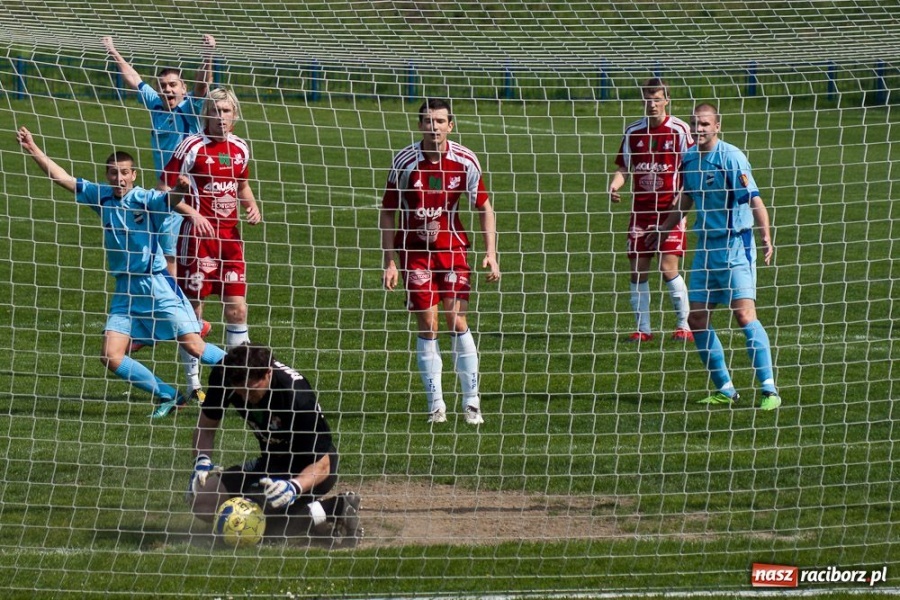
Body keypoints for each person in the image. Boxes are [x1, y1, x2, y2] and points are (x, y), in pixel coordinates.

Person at [16, 126, 226, 419]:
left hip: (156, 285)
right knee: (111, 355)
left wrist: (179, 188)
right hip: (125, 290)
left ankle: (252, 369)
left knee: (193, 345)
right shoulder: (101, 197)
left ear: (134, 174)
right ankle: (169, 395)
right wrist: (33, 148)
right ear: (107, 175)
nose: (119, 178)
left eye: (125, 172)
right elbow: (62, 178)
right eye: (114, 173)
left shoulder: (145, 198)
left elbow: (168, 201)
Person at [103, 34, 216, 399]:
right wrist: (114, 51)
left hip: (185, 197)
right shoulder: (155, 103)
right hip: (163, 198)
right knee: (162, 262)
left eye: (173, 85)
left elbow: (203, 85)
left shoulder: (190, 108)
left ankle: (170, 325)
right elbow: (134, 79)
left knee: (168, 265)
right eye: (164, 85)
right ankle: (165, 326)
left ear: (182, 88)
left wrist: (207, 53)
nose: (168, 90)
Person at [648, 104, 781, 410]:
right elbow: (687, 198)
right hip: (706, 248)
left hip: (735, 246)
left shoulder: (731, 157)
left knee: (744, 315)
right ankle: (725, 389)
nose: (699, 129)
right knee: (696, 319)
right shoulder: (689, 158)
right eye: (695, 124)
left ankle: (769, 390)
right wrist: (664, 228)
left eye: (705, 124)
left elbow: (754, 198)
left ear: (717, 126)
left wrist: (765, 235)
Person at [380, 98, 500, 426]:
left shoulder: (465, 160)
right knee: (428, 325)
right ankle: (436, 405)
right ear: (420, 125)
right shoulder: (405, 162)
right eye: (428, 121)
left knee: (456, 320)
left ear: (451, 125)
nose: (434, 127)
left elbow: (484, 207)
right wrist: (390, 261)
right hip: (415, 254)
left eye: (440, 121)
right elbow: (388, 212)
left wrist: (491, 253)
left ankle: (472, 403)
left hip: (453, 252)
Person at [187, 344, 361, 547]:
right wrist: (201, 462)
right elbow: (206, 427)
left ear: (268, 373)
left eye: (251, 391)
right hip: (271, 461)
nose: (246, 398)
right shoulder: (224, 375)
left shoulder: (297, 396)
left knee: (256, 529)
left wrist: (293, 487)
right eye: (240, 392)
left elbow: (324, 465)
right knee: (204, 504)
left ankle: (333, 508)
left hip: (309, 468)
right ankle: (308, 519)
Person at [163, 87, 261, 377]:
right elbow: (163, 188)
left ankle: (238, 381)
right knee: (194, 311)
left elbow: (242, 185)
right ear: (206, 114)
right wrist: (192, 214)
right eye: (215, 111)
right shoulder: (191, 146)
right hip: (197, 241)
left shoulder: (240, 148)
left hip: (230, 241)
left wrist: (252, 205)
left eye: (226, 111)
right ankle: (193, 384)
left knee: (238, 310)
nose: (221, 117)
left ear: (235, 115)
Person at [609, 77, 694, 343]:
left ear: (666, 100)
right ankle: (643, 329)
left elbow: (692, 167)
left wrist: (682, 198)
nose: (652, 104)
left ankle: (684, 326)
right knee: (637, 269)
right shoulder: (633, 131)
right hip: (641, 213)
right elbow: (624, 167)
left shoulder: (680, 130)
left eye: (657, 99)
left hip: (670, 212)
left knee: (668, 268)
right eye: (648, 99)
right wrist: (615, 184)